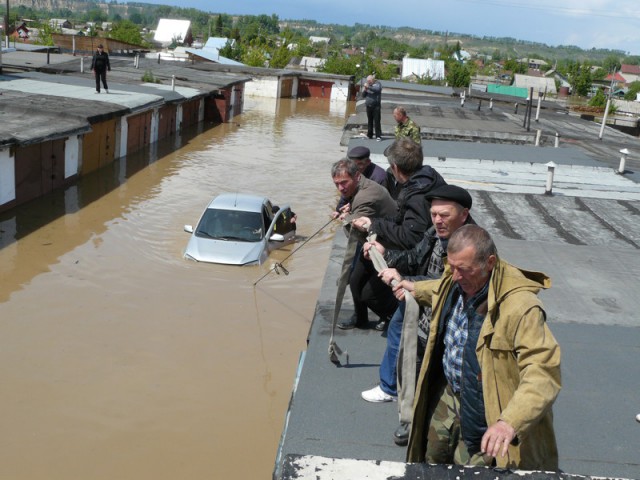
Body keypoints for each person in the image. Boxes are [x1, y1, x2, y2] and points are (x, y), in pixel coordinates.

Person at [406, 225, 561, 470]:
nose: (455, 276)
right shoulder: (460, 279)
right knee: (431, 462)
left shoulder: (522, 307)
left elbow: (543, 371)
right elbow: (441, 288)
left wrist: (509, 422)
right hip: (449, 397)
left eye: (463, 270)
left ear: (489, 262)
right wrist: (413, 289)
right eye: (452, 267)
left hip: (485, 411)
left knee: (475, 473)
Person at [359, 185, 474, 448]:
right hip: (423, 321)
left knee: (443, 380)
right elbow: (414, 258)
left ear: (464, 215)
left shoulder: (470, 247)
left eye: (444, 214)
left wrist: (406, 281)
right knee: (414, 370)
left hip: (448, 329)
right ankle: (411, 421)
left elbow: (451, 285)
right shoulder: (435, 234)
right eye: (434, 214)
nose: (437, 220)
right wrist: (386, 253)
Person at [330, 158, 397, 330]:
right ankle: (360, 319)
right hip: (373, 241)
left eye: (344, 183)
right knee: (354, 280)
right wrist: (351, 209)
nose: (341, 188)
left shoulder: (365, 196)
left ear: (357, 176)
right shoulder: (363, 186)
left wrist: (346, 218)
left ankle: (391, 315)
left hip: (389, 246)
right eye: (337, 184)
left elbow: (354, 234)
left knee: (369, 294)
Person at [351, 137, 446, 250]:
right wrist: (373, 222)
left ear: (395, 167)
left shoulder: (418, 197)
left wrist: (373, 225)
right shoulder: (429, 176)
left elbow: (410, 238)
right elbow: (402, 218)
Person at [334, 146, 387, 216]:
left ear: (368, 162)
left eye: (359, 164)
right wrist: (338, 210)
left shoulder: (379, 177)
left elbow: (376, 202)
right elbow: (345, 191)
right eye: (353, 165)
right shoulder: (352, 171)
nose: (355, 168)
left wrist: (351, 206)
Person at [362, 75, 382, 141]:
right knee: (369, 121)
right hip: (369, 106)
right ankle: (369, 135)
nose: (368, 82)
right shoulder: (368, 86)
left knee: (377, 121)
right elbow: (363, 95)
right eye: (367, 81)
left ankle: (378, 136)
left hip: (376, 106)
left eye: (369, 81)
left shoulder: (378, 84)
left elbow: (377, 90)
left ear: (372, 80)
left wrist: (368, 87)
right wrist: (365, 90)